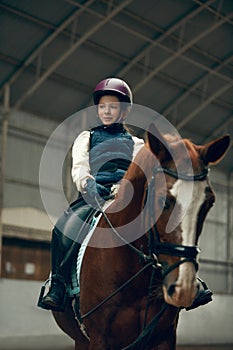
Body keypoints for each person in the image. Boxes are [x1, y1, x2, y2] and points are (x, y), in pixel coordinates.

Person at [38, 77, 145, 311]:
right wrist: (89, 185)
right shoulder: (86, 137)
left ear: (124, 112)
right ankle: (58, 284)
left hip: (126, 197)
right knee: (62, 230)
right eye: (102, 106)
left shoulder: (137, 144)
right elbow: (80, 168)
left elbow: (141, 175)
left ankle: (182, 281)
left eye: (113, 106)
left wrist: (125, 190)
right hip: (94, 196)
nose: (106, 111)